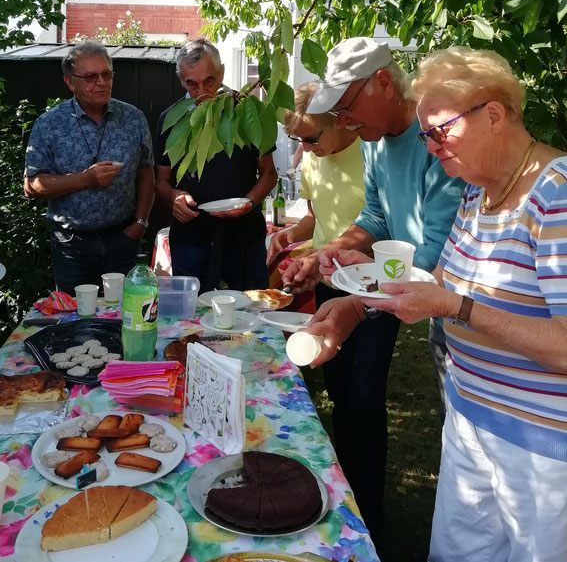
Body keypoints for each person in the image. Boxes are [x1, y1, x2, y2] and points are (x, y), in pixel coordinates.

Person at [309, 46, 567, 562]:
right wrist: (357, 307)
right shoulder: (478, 193)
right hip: (469, 421)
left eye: (440, 132)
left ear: (493, 115)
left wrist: (460, 309)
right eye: (425, 135)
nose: (430, 149)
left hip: (541, 452)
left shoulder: (556, 195)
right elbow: (440, 277)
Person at [282, 37, 463, 548]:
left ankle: (370, 528)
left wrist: (358, 301)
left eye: (347, 105)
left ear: (384, 81)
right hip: (417, 300)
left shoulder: (437, 140)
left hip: (452, 301)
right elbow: (377, 218)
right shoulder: (375, 139)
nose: (344, 120)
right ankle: (357, 512)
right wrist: (326, 255)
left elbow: (437, 251)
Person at [24, 42, 155, 293]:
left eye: (106, 74)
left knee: (125, 316)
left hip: (123, 238)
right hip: (72, 245)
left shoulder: (133, 118)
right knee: (76, 319)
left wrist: (140, 222)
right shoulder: (49, 124)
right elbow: (31, 186)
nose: (101, 82)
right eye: (90, 77)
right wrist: (85, 179)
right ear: (70, 82)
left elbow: (146, 171)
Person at [155, 38, 277, 292]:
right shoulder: (170, 120)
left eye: (209, 80)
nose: (202, 91)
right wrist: (174, 197)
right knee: (193, 319)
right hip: (192, 239)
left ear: (221, 72)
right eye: (192, 84)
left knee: (250, 313)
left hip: (244, 237)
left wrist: (249, 202)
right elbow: (161, 181)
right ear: (181, 80)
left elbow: (268, 174)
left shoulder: (247, 112)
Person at [267, 81, 365, 263]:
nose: (305, 148)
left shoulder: (371, 152)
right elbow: (314, 218)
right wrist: (291, 233)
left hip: (361, 274)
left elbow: (380, 226)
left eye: (311, 139)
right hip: (322, 271)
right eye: (300, 139)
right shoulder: (312, 157)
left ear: (338, 122)